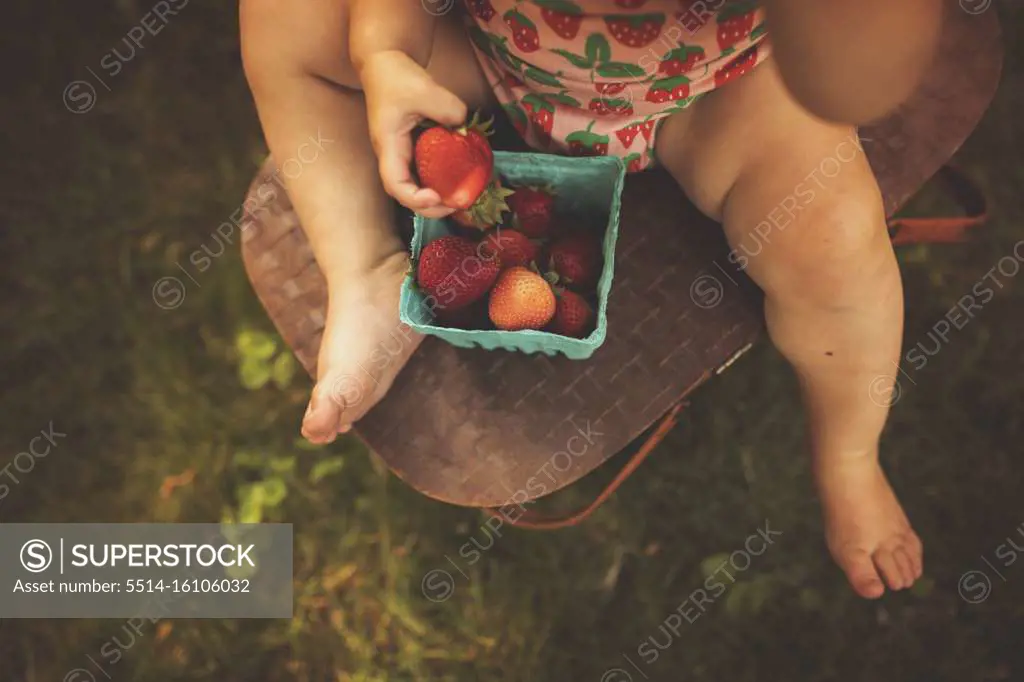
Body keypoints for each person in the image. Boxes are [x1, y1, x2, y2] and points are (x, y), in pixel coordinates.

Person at [240, 0, 943, 598]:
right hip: (493, 58)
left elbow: (854, 80)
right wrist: (384, 52)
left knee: (835, 244)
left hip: (720, 91)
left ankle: (849, 457)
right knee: (287, 18)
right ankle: (365, 266)